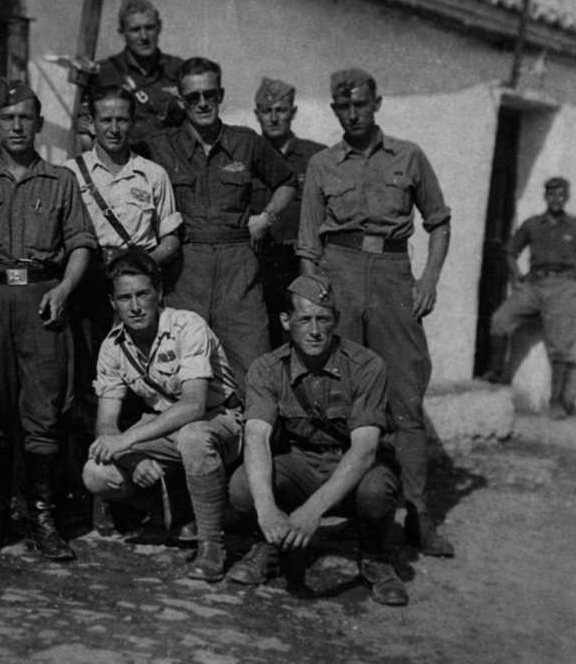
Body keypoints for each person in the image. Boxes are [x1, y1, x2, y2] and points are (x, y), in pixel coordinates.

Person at [298, 68, 454, 557]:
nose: (352, 114)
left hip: (392, 275)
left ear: (377, 102)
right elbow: (307, 244)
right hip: (338, 275)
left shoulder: (408, 156)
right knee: (342, 392)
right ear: (333, 109)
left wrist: (428, 281)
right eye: (343, 107)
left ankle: (418, 513)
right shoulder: (323, 165)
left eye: (360, 105)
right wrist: (316, 297)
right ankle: (354, 506)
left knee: (405, 394)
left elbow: (440, 223)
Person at [0, 79, 97, 562]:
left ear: (39, 124)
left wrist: (64, 289)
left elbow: (82, 242)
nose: (17, 126)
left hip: (43, 298)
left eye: (26, 117)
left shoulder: (61, 180)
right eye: (8, 118)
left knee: (44, 410)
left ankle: (42, 516)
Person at [227, 275, 408, 606]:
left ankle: (375, 557)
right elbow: (256, 438)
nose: (314, 330)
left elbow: (365, 451)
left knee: (376, 490)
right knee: (243, 487)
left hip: (352, 468)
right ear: (285, 322)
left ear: (336, 321)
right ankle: (269, 545)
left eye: (323, 319)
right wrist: (266, 508)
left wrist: (312, 511)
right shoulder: (267, 369)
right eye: (304, 319)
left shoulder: (367, 365)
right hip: (301, 464)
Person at [83, 251, 243, 581]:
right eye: (124, 297)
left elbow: (194, 406)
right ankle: (174, 507)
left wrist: (127, 441)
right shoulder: (113, 346)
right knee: (96, 472)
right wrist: (131, 459)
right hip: (163, 425)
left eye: (142, 294)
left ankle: (211, 545)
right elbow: (106, 423)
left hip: (220, 420)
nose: (135, 306)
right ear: (113, 302)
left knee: (192, 436)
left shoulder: (188, 325)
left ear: (158, 292)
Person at [148, 57, 298, 394]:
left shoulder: (246, 142)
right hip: (184, 269)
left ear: (221, 94)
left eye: (209, 95)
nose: (202, 103)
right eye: (192, 97)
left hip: (238, 267)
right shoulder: (161, 146)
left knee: (253, 366)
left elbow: (287, 181)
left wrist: (267, 216)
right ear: (182, 101)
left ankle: (256, 444)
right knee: (181, 370)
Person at [65, 84, 182, 356]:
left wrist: (142, 265)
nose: (114, 129)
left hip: (135, 287)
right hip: (88, 281)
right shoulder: (70, 173)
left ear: (132, 122)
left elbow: (171, 240)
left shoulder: (153, 174)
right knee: (90, 364)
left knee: (143, 359)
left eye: (122, 120)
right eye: (106, 120)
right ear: (92, 124)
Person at [483, 177, 576, 418]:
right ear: (545, 196)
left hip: (563, 287)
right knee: (500, 320)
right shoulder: (533, 224)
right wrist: (517, 279)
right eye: (552, 194)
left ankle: (556, 403)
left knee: (561, 346)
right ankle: (497, 373)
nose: (557, 199)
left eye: (561, 194)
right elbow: (510, 252)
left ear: (567, 198)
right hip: (534, 284)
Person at [251, 77, 327, 347]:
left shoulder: (316, 157)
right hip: (262, 265)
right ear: (256, 114)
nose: (273, 118)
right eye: (266, 111)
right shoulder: (246, 155)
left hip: (303, 263)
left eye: (281, 110)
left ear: (293, 112)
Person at [77, 0, 184, 154]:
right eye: (135, 30)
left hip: (171, 166)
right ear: (122, 33)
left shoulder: (178, 69)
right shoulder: (103, 73)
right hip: (124, 166)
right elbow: (85, 129)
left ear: (159, 27)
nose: (144, 37)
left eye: (149, 28)